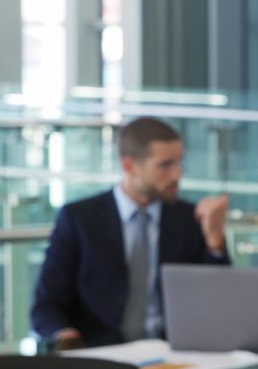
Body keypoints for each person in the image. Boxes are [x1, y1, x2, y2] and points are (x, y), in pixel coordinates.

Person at [31, 117, 230, 348]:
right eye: (165, 165)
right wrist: (67, 339)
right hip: (102, 355)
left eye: (179, 163)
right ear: (129, 166)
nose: (177, 175)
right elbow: (46, 306)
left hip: (176, 353)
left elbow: (218, 303)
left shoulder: (189, 218)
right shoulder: (80, 219)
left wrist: (215, 240)